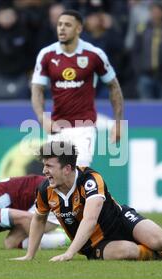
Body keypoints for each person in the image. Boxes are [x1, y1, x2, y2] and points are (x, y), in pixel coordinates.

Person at [12, 141, 162, 261]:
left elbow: (89, 218)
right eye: (44, 164)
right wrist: (29, 256)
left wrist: (68, 253)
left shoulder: (90, 179)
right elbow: (39, 219)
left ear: (67, 168)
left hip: (120, 220)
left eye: (48, 165)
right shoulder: (46, 189)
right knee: (127, 252)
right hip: (95, 243)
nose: (43, 170)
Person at [31, 9, 124, 167]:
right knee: (54, 176)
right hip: (57, 127)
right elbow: (37, 89)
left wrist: (118, 123)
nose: (61, 28)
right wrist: (42, 118)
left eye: (67, 25)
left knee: (77, 172)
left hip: (84, 127)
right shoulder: (47, 54)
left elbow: (114, 87)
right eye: (59, 24)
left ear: (78, 29)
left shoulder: (93, 55)